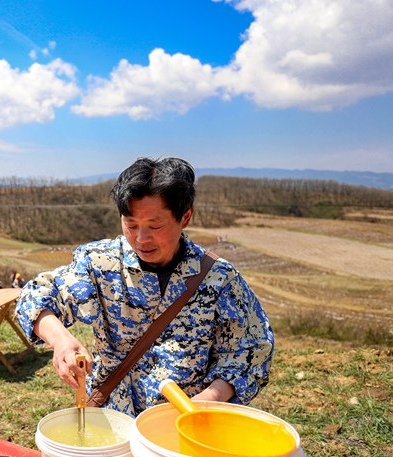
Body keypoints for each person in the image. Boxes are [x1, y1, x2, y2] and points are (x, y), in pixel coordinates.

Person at [15, 157, 274, 418]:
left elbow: (251, 349)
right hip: (113, 421)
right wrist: (60, 340)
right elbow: (36, 294)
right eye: (130, 224)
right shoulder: (100, 263)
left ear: (185, 217)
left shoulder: (219, 279)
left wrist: (208, 399)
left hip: (180, 425)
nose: (141, 238)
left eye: (155, 225)